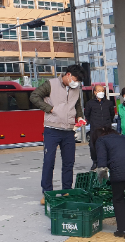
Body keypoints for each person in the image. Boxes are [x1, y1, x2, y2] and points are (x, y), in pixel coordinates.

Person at [30, 65, 86, 204]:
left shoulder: (76, 88)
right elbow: (34, 96)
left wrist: (79, 116)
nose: (76, 82)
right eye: (75, 79)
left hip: (68, 130)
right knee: (49, 161)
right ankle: (47, 193)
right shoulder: (51, 84)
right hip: (52, 129)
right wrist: (50, 109)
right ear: (68, 75)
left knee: (69, 162)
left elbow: (77, 104)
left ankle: (67, 191)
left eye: (79, 81)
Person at [84, 84, 116, 171]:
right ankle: (95, 162)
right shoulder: (90, 103)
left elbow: (112, 114)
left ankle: (108, 162)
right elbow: (87, 115)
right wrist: (93, 123)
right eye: (98, 91)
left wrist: (107, 122)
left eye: (102, 90)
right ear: (95, 92)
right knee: (93, 146)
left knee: (107, 145)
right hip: (95, 129)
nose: (101, 92)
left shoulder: (108, 103)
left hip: (106, 128)